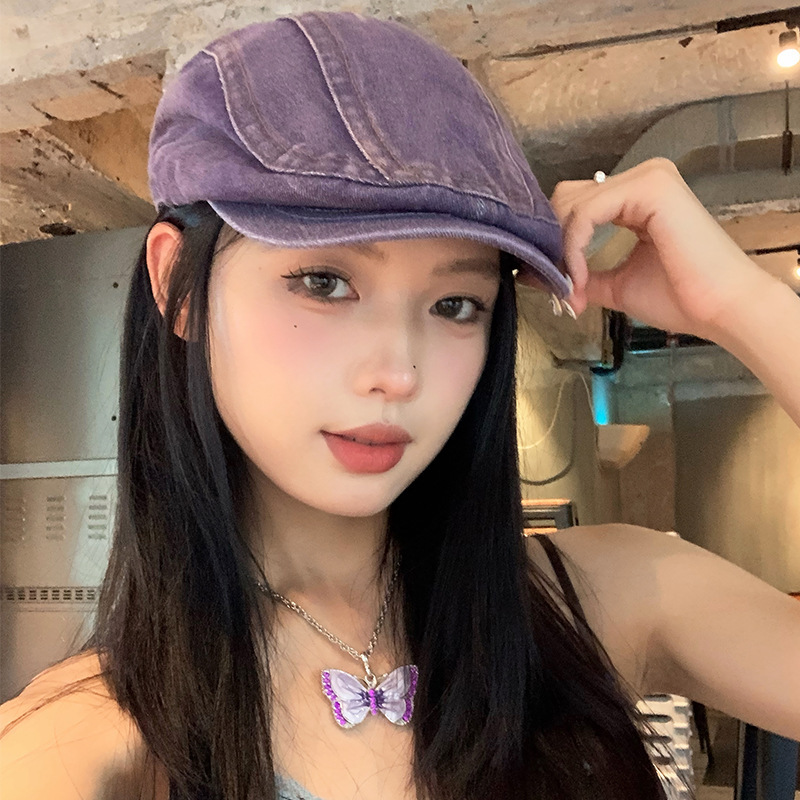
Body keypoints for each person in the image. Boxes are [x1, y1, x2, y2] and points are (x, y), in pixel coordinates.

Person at [1, 11, 798, 800]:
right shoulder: (84, 744)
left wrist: (746, 305)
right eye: (324, 282)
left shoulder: (598, 602)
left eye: (455, 305)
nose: (398, 373)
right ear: (178, 284)